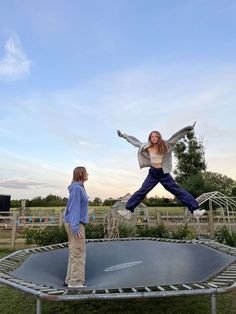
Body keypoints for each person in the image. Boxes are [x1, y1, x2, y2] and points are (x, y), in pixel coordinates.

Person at [117, 123, 206, 220]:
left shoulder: (167, 145)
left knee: (177, 190)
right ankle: (128, 211)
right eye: (152, 136)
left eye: (156, 136)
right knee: (142, 190)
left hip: (164, 173)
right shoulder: (146, 146)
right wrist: (123, 135)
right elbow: (134, 141)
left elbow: (177, 136)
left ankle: (195, 210)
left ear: (159, 137)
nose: (154, 138)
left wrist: (188, 129)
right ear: (150, 138)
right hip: (153, 173)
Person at [64, 166, 89, 288]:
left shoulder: (79, 188)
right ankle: (76, 282)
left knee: (74, 251)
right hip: (76, 223)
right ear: (80, 174)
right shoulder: (77, 189)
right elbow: (74, 208)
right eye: (86, 172)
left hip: (76, 222)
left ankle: (70, 279)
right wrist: (75, 228)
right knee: (78, 252)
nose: (88, 174)